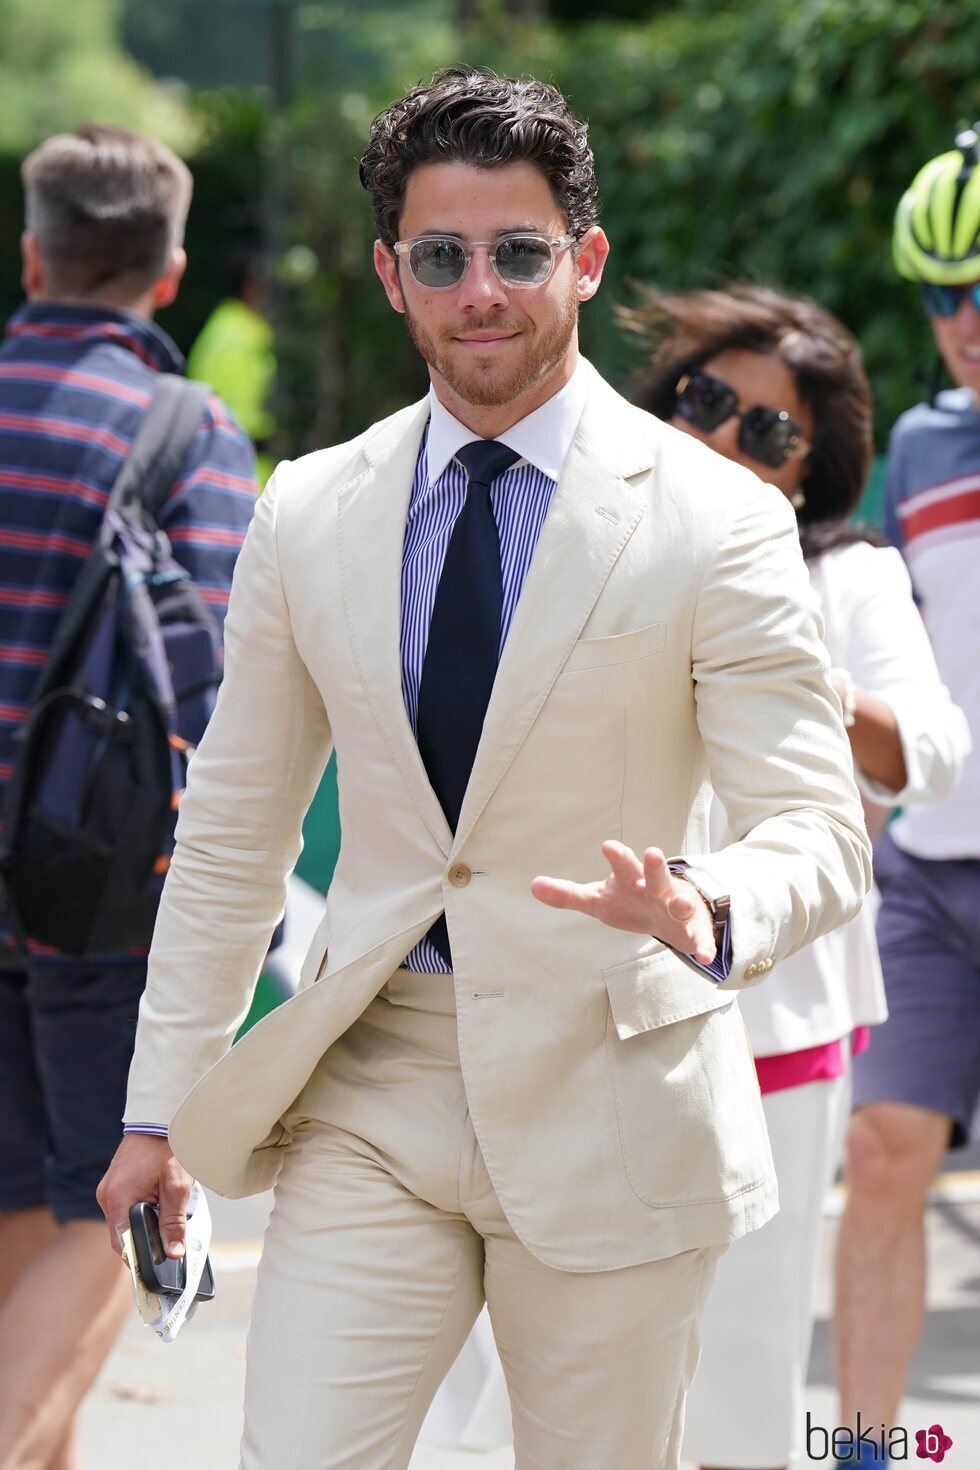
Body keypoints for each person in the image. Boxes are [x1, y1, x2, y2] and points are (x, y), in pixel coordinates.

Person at [98, 68, 871, 1470]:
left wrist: (708, 900)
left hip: (614, 1094)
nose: (482, 292)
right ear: (393, 274)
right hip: (374, 1082)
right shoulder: (308, 507)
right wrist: (158, 1102)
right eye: (442, 257)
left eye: (517, 252)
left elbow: (817, 827)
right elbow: (232, 831)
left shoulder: (719, 522)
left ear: (583, 259)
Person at [627, 284, 970, 1470]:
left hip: (773, 1026)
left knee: (737, 1388)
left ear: (809, 470)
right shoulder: (575, 542)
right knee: (582, 1383)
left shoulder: (843, 579)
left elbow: (926, 750)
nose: (723, 435)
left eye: (767, 429)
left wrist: (806, 679)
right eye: (707, 400)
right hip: (593, 1027)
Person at [0, 126, 259, 1470]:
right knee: (114, 1219)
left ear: (33, 255)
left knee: (18, 1226)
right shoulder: (188, 432)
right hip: (98, 896)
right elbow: (222, 694)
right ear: (166, 278)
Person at [833, 125, 980, 1464]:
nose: (966, 321)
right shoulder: (922, 454)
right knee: (882, 1151)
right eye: (942, 295)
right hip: (929, 867)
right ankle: (864, 1450)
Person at [186, 238, 278, 485]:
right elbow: (241, 424)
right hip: (242, 479)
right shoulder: (242, 338)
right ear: (251, 286)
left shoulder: (223, 328)